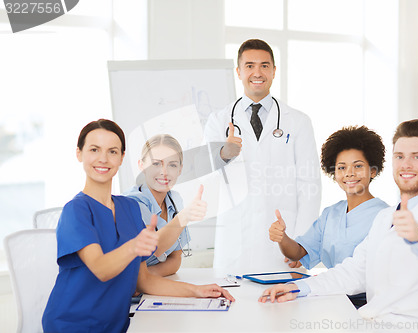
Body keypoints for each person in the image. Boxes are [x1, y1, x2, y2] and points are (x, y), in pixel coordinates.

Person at [259, 119, 418, 331]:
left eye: (417, 157)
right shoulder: (385, 217)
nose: (406, 164)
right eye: (399, 156)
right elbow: (354, 272)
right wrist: (297, 288)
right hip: (373, 322)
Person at [42, 119, 233, 333]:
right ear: (79, 153)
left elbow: (144, 281)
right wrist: (134, 247)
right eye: (94, 149)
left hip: (117, 326)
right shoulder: (75, 211)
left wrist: (197, 291)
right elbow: (101, 269)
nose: (103, 159)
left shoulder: (129, 207)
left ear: (122, 158)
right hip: (73, 325)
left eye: (112, 151)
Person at [204, 39, 321, 274]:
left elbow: (309, 185)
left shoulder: (298, 121)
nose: (257, 72)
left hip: (282, 242)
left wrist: (301, 244)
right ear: (238, 72)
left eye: (264, 65)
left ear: (274, 71)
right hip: (235, 242)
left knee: (284, 307)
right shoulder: (218, 121)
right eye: (249, 66)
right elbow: (205, 179)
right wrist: (223, 154)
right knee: (234, 304)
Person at [268, 126, 388, 308]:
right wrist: (282, 238)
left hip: (367, 304)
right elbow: (297, 252)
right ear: (334, 173)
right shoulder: (331, 214)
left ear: (373, 170)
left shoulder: (385, 216)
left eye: (358, 166)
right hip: (330, 296)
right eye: (342, 167)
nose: (349, 173)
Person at [124, 134, 206, 276]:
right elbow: (156, 247)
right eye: (156, 164)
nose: (164, 172)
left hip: (149, 286)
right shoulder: (131, 202)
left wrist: (145, 279)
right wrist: (184, 216)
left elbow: (175, 259)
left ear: (180, 169)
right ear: (141, 166)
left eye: (172, 165)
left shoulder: (175, 200)